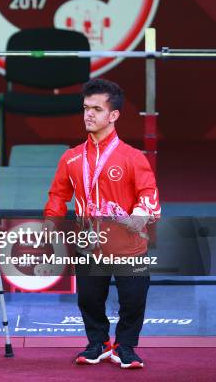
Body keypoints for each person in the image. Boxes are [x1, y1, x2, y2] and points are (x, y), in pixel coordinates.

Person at [44, 78, 160, 369]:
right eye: (86, 108)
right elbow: (58, 194)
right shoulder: (71, 158)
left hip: (130, 246)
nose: (88, 115)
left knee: (133, 301)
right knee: (89, 300)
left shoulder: (133, 158)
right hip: (89, 246)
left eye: (96, 109)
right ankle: (98, 342)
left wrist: (141, 215)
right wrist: (52, 224)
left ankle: (126, 346)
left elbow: (149, 193)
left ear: (114, 115)